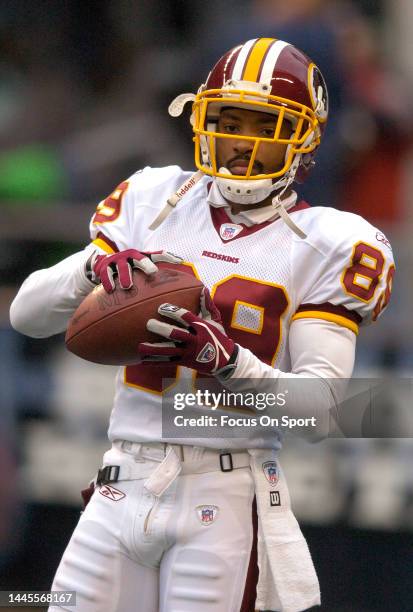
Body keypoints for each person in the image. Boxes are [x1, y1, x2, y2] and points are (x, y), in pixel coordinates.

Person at [10, 38, 395, 612]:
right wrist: (88, 267)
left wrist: (229, 363)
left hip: (225, 491)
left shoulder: (333, 242)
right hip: (122, 480)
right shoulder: (152, 198)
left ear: (304, 139)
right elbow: (26, 315)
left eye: (263, 125)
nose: (240, 142)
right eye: (227, 120)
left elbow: (323, 409)